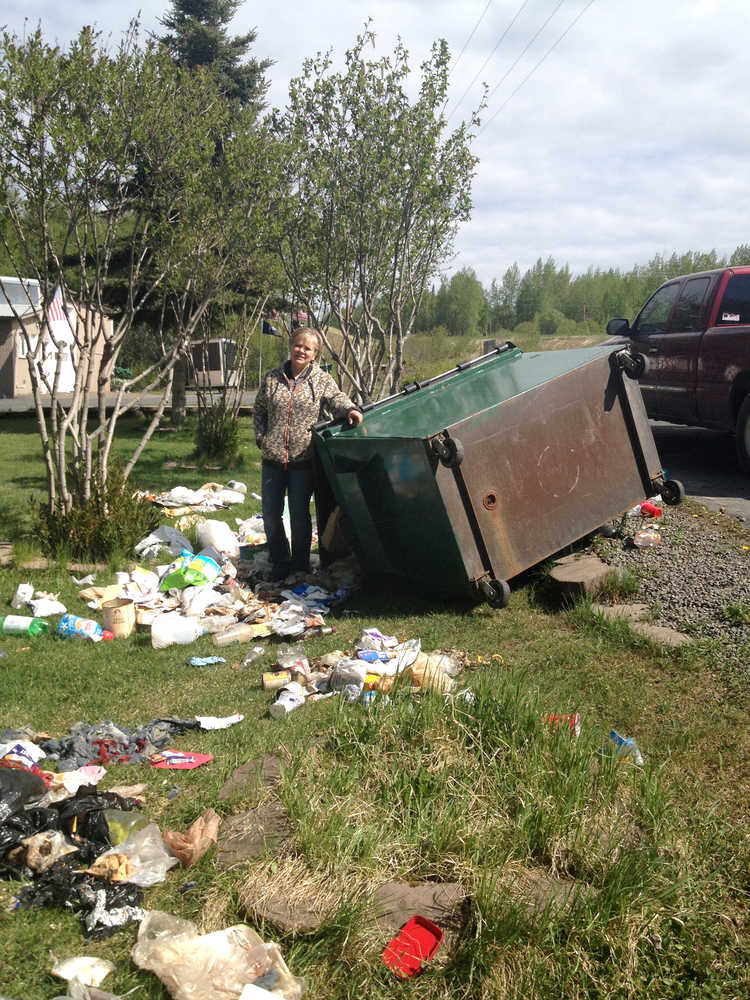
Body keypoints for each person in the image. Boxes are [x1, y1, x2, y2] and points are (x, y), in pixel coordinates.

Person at [253, 326, 362, 579]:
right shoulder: (272, 378)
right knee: (270, 514)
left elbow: (337, 398)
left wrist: (350, 410)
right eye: (298, 345)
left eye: (308, 348)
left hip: (303, 459)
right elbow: (259, 410)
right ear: (291, 346)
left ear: (315, 354)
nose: (301, 350)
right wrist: (261, 437)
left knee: (300, 515)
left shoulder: (321, 379)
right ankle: (280, 560)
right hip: (272, 459)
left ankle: (300, 564)